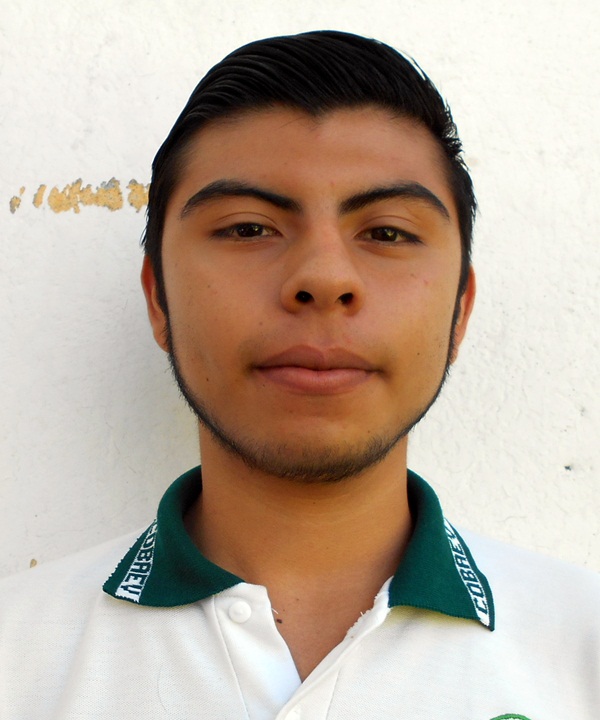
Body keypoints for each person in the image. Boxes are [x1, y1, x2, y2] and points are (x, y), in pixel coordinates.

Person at [1, 30, 598, 720]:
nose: (323, 277)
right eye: (249, 228)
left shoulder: (583, 649)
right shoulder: (17, 657)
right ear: (159, 297)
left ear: (459, 310)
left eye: (387, 233)